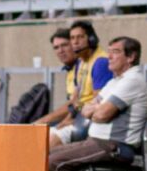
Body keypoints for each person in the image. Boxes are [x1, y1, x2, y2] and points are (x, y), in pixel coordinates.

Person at [48, 36, 147, 171]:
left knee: (53, 161)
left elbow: (101, 113)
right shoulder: (115, 81)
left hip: (115, 146)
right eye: (109, 50)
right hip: (98, 142)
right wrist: (95, 110)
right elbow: (87, 108)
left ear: (131, 57)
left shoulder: (133, 80)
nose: (109, 56)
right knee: (48, 155)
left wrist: (96, 110)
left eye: (116, 52)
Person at [48, 20, 112, 150]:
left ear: (91, 39)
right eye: (72, 38)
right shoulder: (81, 63)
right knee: (40, 137)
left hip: (90, 124)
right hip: (79, 119)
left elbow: (98, 103)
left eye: (80, 37)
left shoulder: (100, 62)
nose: (75, 42)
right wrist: (66, 119)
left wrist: (72, 120)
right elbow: (75, 101)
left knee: (47, 142)